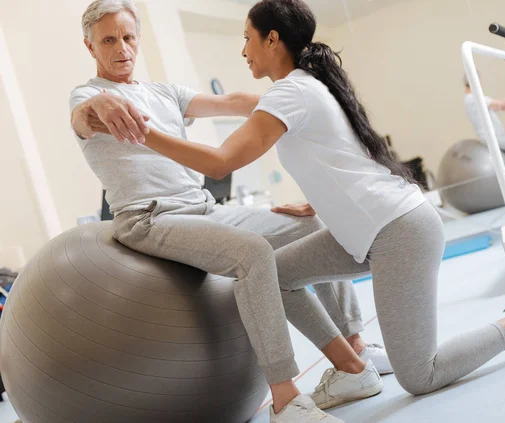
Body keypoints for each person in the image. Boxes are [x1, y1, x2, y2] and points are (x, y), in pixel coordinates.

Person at [93, 0, 505, 413]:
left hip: (400, 230)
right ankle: (351, 366)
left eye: (247, 38)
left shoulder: (289, 92)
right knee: (274, 273)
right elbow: (343, 156)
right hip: (370, 229)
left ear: (272, 41)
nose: (242, 49)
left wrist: (143, 132)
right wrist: (319, 202)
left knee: (421, 374)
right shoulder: (304, 86)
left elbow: (222, 161)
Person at [69, 1, 390, 422]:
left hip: (204, 209)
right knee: (253, 255)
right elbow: (82, 117)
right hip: (149, 219)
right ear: (90, 47)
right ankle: (286, 398)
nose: (122, 48)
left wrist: (311, 99)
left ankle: (355, 348)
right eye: (108, 40)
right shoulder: (87, 96)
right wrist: (102, 105)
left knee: (308, 224)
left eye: (129, 37)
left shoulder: (162, 93)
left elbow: (233, 101)